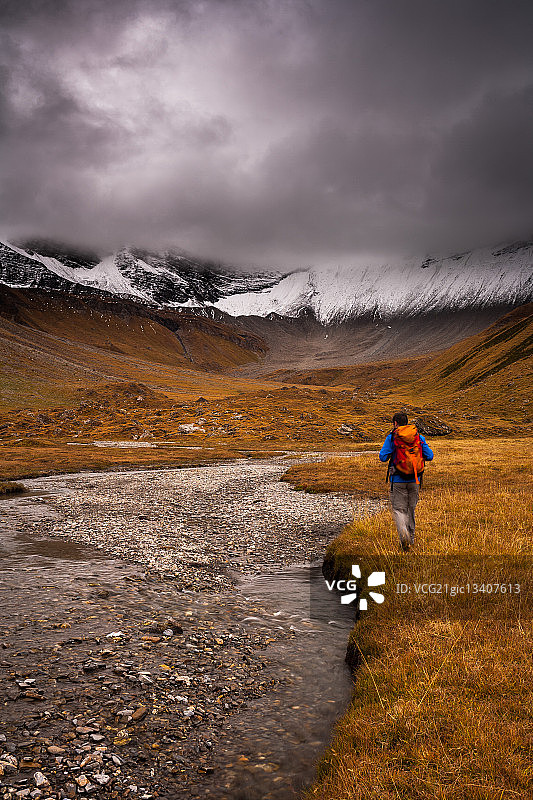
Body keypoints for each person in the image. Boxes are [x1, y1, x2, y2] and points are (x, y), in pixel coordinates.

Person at [379, 412, 434, 551]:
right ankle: (411, 539)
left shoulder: (392, 437)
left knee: (399, 509)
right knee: (411, 509)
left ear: (395, 423)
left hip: (397, 480)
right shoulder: (418, 437)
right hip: (415, 479)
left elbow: (382, 457)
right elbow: (430, 455)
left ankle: (404, 537)